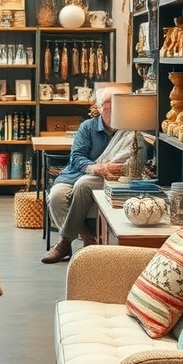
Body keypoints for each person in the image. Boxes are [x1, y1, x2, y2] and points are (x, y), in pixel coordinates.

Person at [41, 90, 146, 264]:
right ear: (98, 107)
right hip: (76, 174)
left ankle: (64, 242)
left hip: (107, 179)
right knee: (56, 195)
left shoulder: (128, 133)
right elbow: (76, 157)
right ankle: (87, 237)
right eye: (107, 104)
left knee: (83, 185)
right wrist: (100, 167)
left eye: (116, 104)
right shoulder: (88, 127)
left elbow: (134, 158)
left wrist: (116, 169)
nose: (112, 108)